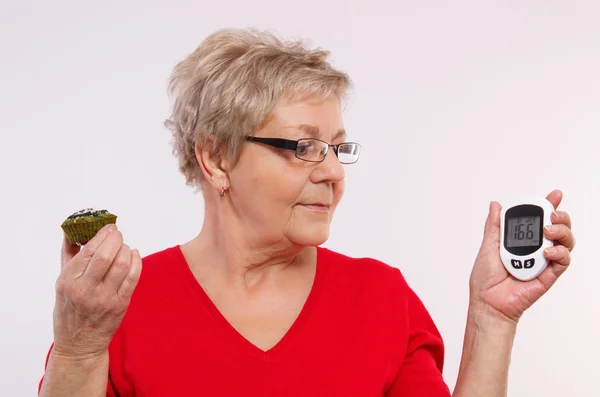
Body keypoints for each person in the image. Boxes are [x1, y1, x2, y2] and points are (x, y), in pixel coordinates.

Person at [38, 28, 575, 396]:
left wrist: (492, 320)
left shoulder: (382, 299)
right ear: (216, 157)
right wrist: (78, 353)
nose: (333, 172)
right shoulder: (113, 307)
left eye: (338, 148)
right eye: (303, 147)